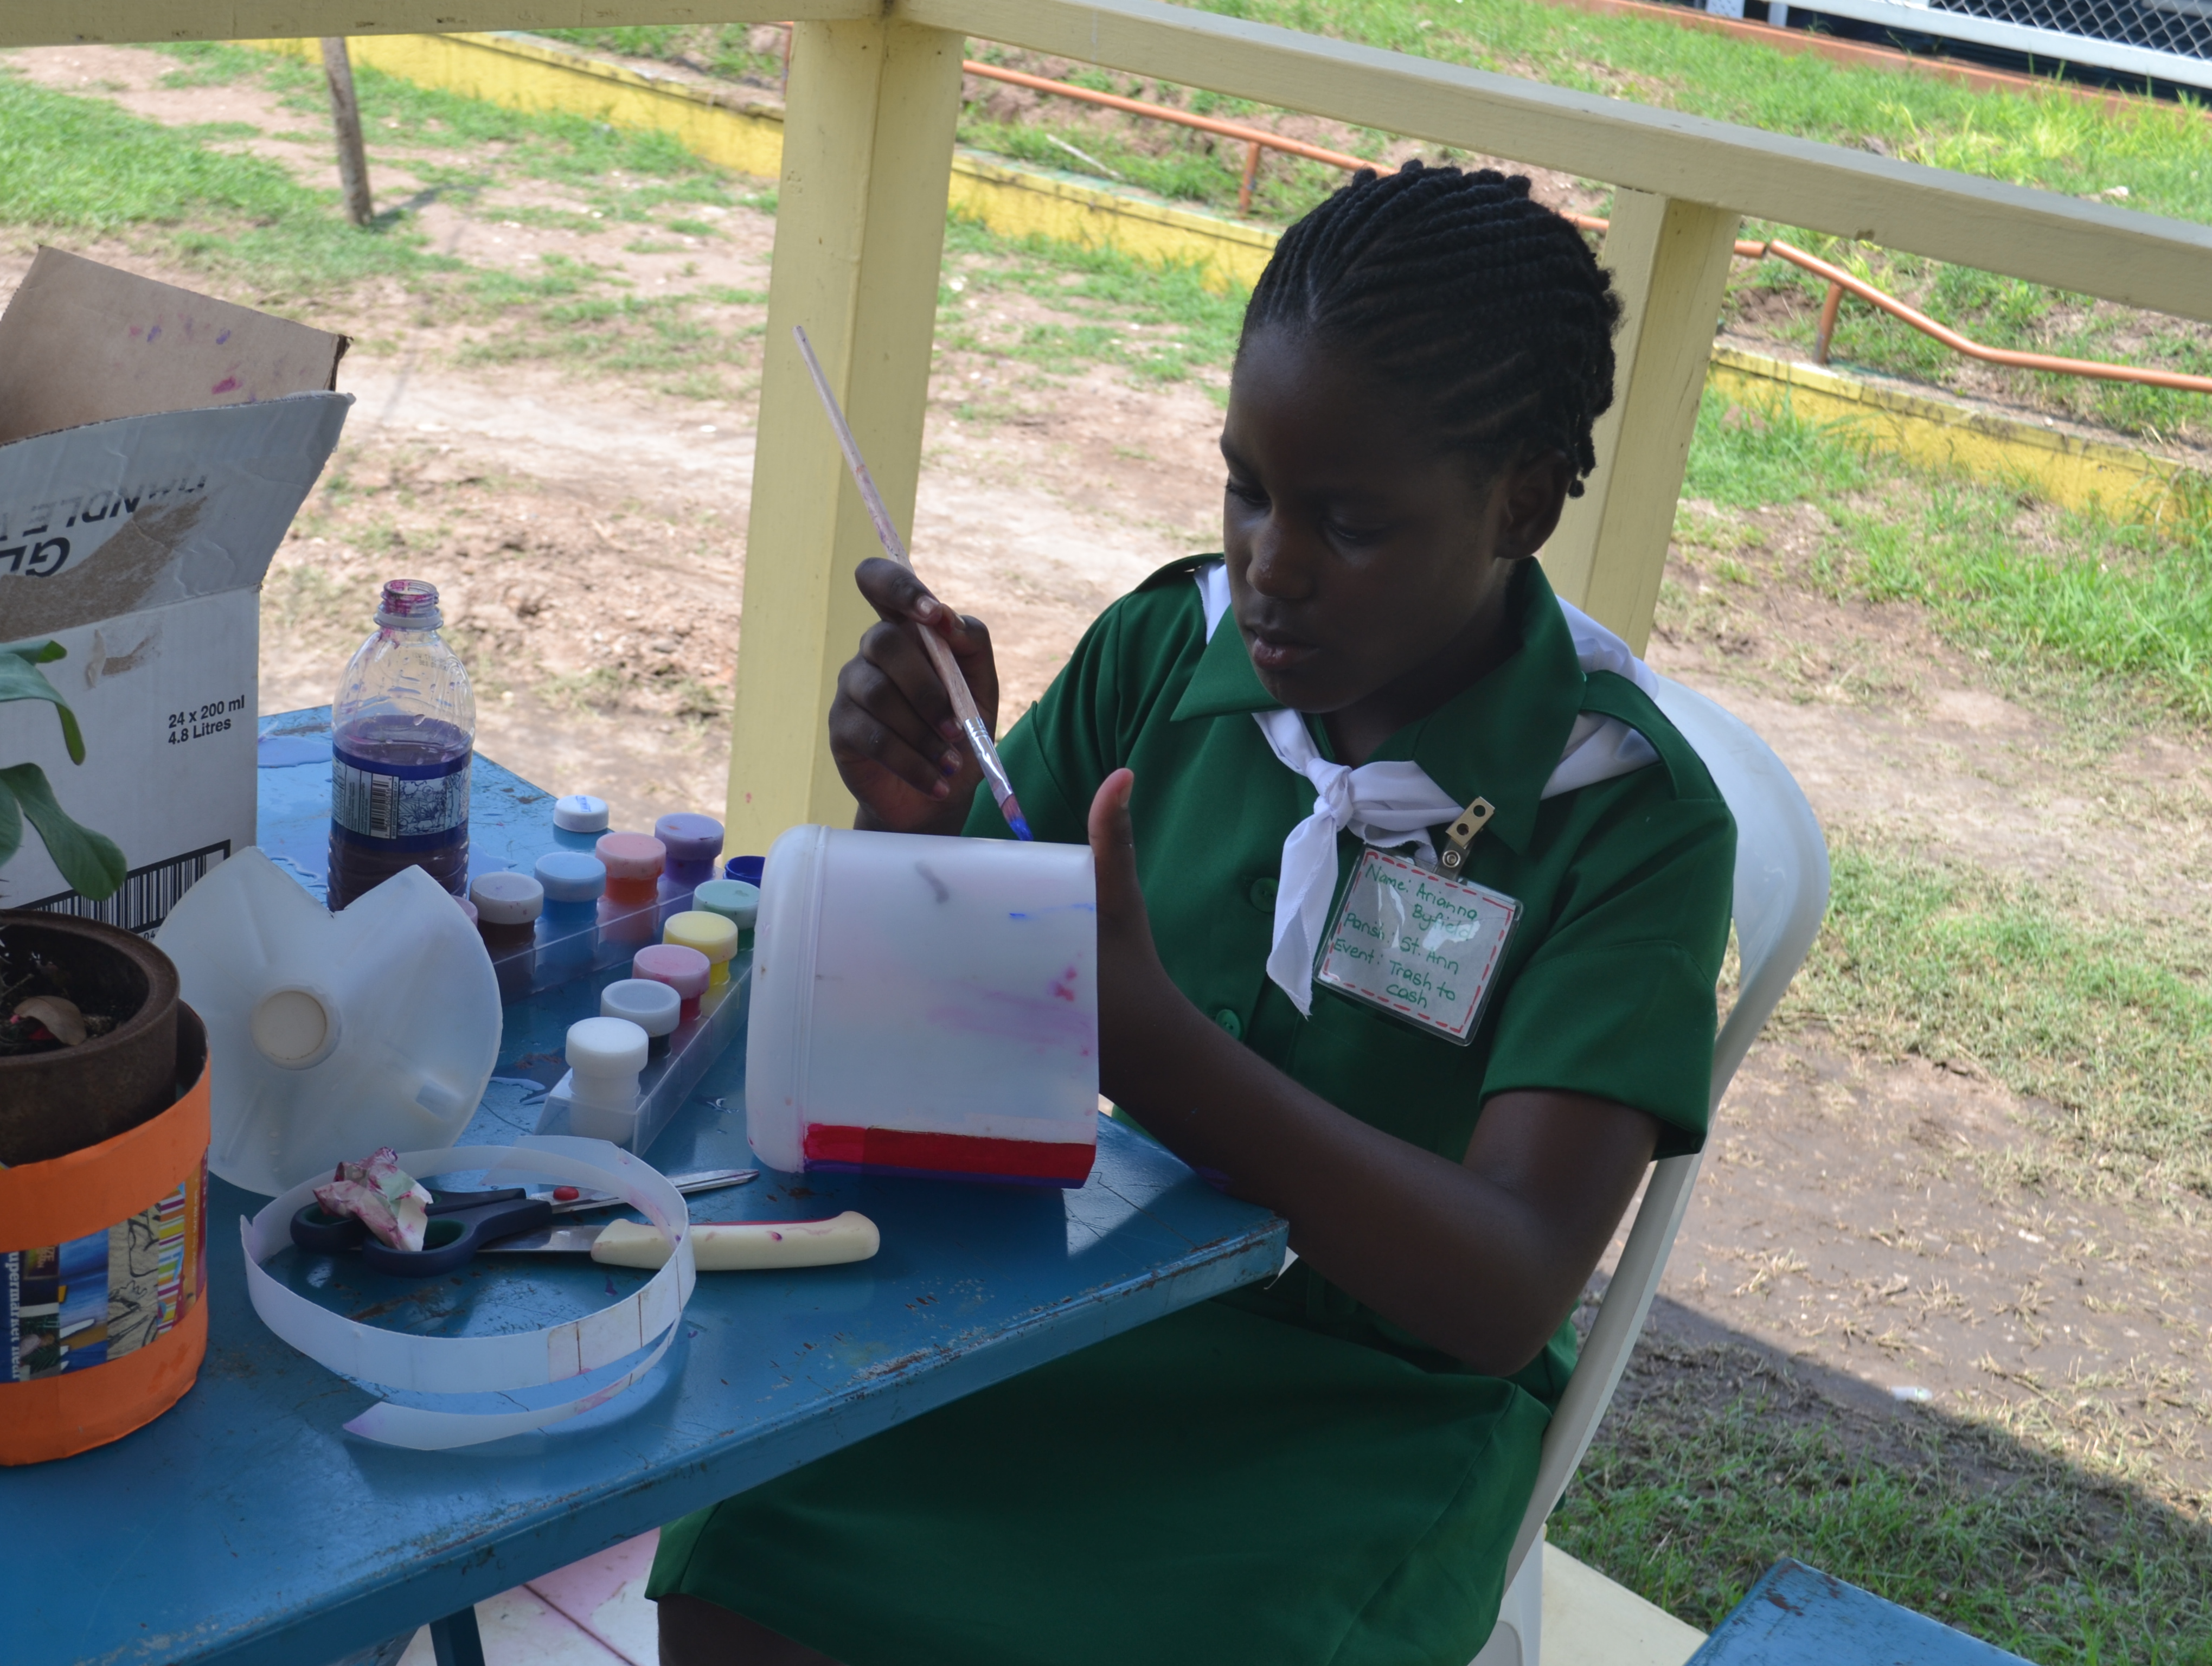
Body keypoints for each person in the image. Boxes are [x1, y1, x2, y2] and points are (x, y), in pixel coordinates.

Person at [651, 161, 1736, 1666]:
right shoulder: (1169, 655)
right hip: (1084, 1298)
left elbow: (1504, 1290)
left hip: (1366, 1413)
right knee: (760, 1539)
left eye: (1349, 524)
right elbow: (953, 1023)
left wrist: (1155, 1051)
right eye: (1249, 489)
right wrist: (923, 827)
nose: (1271, 567)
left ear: (1524, 502)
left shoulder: (1623, 816)